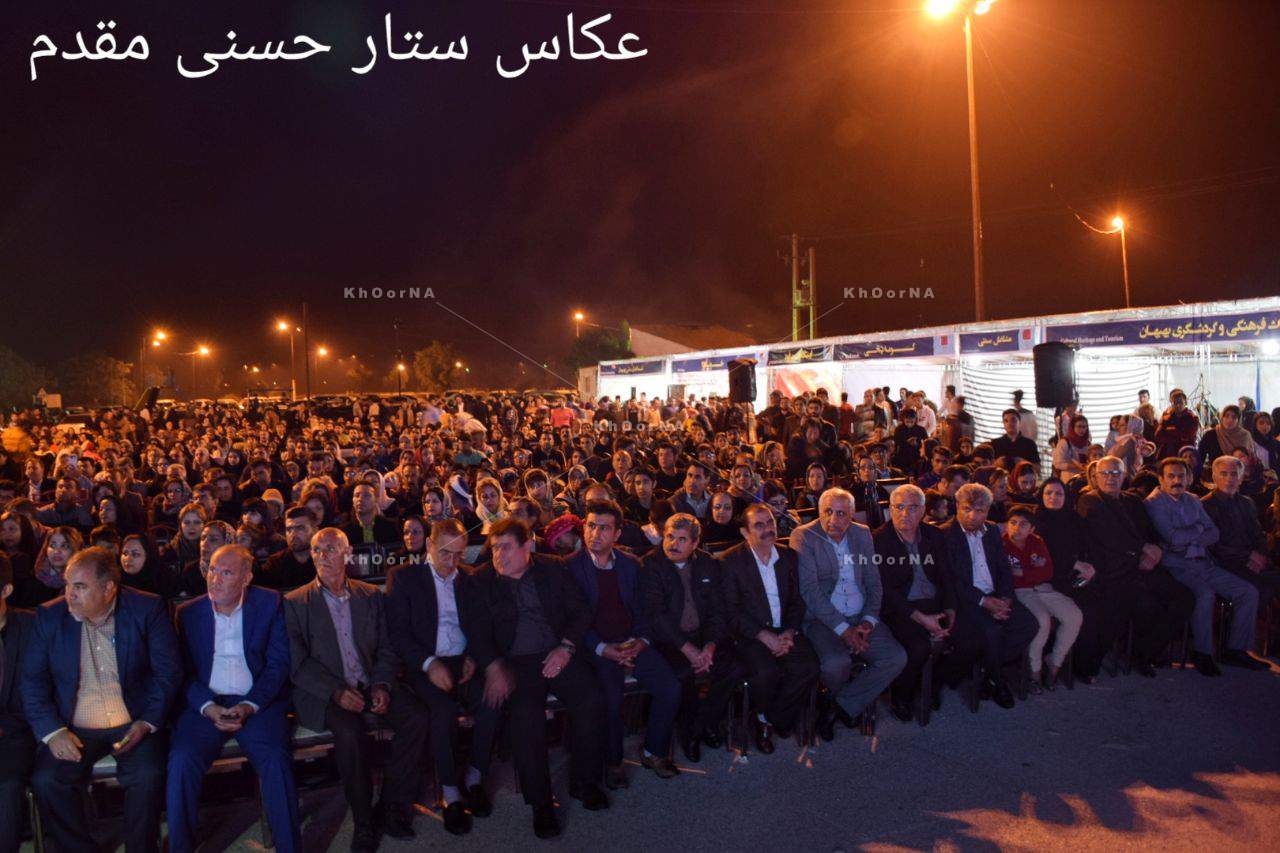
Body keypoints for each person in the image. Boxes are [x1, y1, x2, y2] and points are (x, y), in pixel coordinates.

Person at [22, 546, 181, 853]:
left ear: (109, 588)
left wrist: (147, 722)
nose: (69, 594)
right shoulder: (50, 616)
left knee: (147, 776)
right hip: (75, 727)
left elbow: (168, 673)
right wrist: (53, 732)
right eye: (68, 585)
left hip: (134, 721)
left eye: (80, 587)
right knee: (47, 780)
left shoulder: (146, 608)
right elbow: (32, 681)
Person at [284, 528, 430, 847]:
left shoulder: (370, 595)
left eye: (331, 549)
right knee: (350, 733)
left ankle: (391, 805)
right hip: (326, 693)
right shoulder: (295, 602)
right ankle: (363, 821)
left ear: (348, 554)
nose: (323, 556)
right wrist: (337, 691)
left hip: (369, 681)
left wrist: (381, 684)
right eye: (317, 550)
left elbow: (387, 647)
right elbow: (298, 663)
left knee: (416, 717)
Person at [468, 517, 607, 839]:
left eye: (506, 547)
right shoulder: (481, 580)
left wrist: (566, 648)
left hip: (557, 651)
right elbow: (477, 632)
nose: (498, 555)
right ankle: (541, 803)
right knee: (525, 717)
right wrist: (493, 667)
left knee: (591, 699)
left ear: (527, 546)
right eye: (494, 548)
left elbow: (581, 611)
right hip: (515, 662)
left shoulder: (553, 568)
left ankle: (584, 781)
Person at [167, 544, 301, 853]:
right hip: (206, 706)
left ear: (246, 578)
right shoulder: (188, 613)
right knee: (181, 761)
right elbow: (181, 672)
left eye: (226, 573)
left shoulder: (270, 603)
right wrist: (208, 706)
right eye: (212, 570)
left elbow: (278, 665)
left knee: (276, 759)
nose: (215, 579)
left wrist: (249, 705)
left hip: (256, 703)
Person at [385, 518, 501, 835]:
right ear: (430, 546)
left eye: (459, 554)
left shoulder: (469, 578)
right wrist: (429, 663)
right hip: (425, 664)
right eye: (446, 553)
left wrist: (474, 657)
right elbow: (398, 634)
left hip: (463, 661)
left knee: (492, 699)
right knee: (442, 712)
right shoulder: (404, 578)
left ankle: (475, 776)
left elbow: (481, 626)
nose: (452, 562)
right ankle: (450, 792)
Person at [567, 501, 681, 786]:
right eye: (591, 526)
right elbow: (572, 620)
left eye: (604, 528)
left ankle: (653, 751)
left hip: (632, 641)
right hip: (596, 648)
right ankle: (614, 761)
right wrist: (603, 649)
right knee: (611, 697)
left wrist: (641, 640)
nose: (595, 533)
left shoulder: (631, 565)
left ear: (617, 534)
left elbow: (643, 611)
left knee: (670, 687)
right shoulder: (570, 567)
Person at [791, 489, 906, 736]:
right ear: (819, 512)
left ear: (852, 514)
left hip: (860, 613)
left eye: (841, 513)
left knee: (896, 657)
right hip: (823, 620)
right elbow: (810, 591)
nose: (833, 519)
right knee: (836, 664)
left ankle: (837, 705)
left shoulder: (861, 533)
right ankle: (846, 703)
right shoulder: (804, 536)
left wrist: (869, 620)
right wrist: (844, 630)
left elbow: (874, 581)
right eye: (827, 512)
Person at [1143, 458, 1265, 675]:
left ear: (1188, 478)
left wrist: (1189, 537)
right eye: (1171, 476)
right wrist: (1199, 530)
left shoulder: (1192, 499)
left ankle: (1236, 650)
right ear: (1161, 479)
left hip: (1203, 562)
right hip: (1177, 566)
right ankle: (1203, 653)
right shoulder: (1154, 503)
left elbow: (1214, 533)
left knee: (1247, 592)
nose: (1177, 480)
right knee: (1205, 594)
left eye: (1181, 476)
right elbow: (1172, 538)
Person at [1073, 456, 1192, 679]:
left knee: (1184, 598)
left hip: (1144, 566)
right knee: (1146, 606)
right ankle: (1136, 654)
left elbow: (1151, 531)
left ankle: (1145, 652)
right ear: (1096, 477)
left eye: (1116, 473)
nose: (1110, 478)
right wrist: (1143, 549)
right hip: (1113, 570)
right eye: (1105, 473)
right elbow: (1109, 535)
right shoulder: (1089, 500)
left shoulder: (1133, 501)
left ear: (1124, 476)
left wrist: (1154, 551)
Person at [640, 513, 741, 762]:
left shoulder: (708, 564)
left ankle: (705, 723)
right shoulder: (650, 565)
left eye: (681, 539)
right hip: (669, 641)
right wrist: (688, 649)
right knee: (683, 673)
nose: (673, 544)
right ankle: (690, 732)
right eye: (669, 537)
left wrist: (710, 645)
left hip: (703, 636)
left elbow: (718, 610)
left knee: (733, 667)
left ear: (695, 543)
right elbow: (656, 616)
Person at [719, 503, 820, 753]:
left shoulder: (788, 557)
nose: (767, 529)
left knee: (809, 667)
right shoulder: (730, 562)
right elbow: (731, 612)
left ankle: (769, 718)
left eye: (770, 523)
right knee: (766, 673)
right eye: (759, 525)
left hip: (784, 630)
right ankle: (770, 719)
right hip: (750, 635)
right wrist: (764, 636)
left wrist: (789, 632)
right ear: (745, 532)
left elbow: (797, 601)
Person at [939, 484, 1038, 709]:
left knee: (1028, 625)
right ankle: (997, 680)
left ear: (988, 511)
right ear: (957, 506)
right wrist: (984, 602)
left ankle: (985, 669)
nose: (973, 516)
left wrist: (1006, 598)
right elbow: (953, 580)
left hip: (996, 594)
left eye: (980, 510)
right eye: (967, 509)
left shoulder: (992, 530)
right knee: (992, 632)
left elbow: (1003, 568)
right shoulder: (945, 534)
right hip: (967, 600)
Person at [1002, 506, 1083, 692]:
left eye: (1023, 524)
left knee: (1074, 615)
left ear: (1031, 529)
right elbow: (1008, 577)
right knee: (1042, 620)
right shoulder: (1001, 544)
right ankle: (1035, 671)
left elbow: (1047, 572)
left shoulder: (1036, 541)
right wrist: (1032, 570)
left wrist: (1023, 572)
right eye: (1013, 523)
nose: (1016, 528)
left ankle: (1055, 663)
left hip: (1044, 588)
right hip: (1020, 592)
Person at [1202, 455, 1280, 609]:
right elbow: (1213, 545)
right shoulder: (1205, 505)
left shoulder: (1247, 503)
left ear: (1241, 478)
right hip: (1225, 564)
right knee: (1262, 588)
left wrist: (1260, 555)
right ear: (1214, 477)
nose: (1229, 479)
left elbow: (1259, 534)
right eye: (1224, 474)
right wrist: (1249, 556)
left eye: (1234, 474)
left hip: (1254, 560)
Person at [0, 554, 35, 853]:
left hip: (16, 730)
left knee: (7, 785)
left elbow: (41, 689)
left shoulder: (30, 626)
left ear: (6, 590)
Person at [256, 505, 318, 590]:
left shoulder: (324, 560)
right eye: (289, 529)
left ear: (315, 530)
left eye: (300, 528)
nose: (293, 534)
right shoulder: (275, 563)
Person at [341, 482, 402, 547]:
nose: (360, 499)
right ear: (352, 501)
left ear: (376, 499)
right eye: (357, 495)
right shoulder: (344, 532)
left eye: (366, 495)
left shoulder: (391, 527)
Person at [1153, 389, 1200, 460]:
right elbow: (1158, 436)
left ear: (1185, 402)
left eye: (1180, 402)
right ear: (1171, 404)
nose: (1178, 405)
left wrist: (1169, 431)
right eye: (1175, 403)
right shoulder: (1166, 417)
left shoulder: (1192, 417)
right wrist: (1175, 432)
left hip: (1186, 452)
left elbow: (1188, 436)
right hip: (1168, 451)